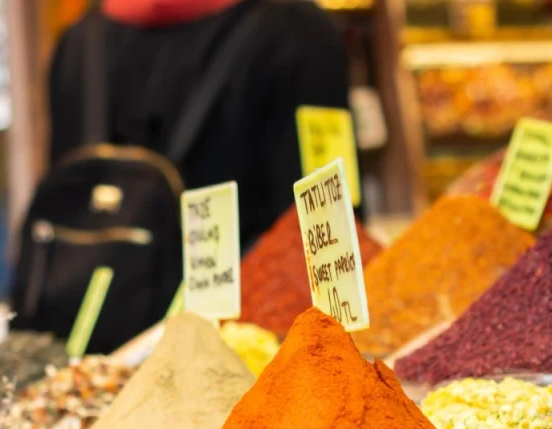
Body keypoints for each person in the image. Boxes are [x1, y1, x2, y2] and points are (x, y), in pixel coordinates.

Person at [47, 0, 351, 248]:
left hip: (83, 318)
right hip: (251, 316)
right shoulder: (302, 35)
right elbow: (332, 228)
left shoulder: (75, 43)